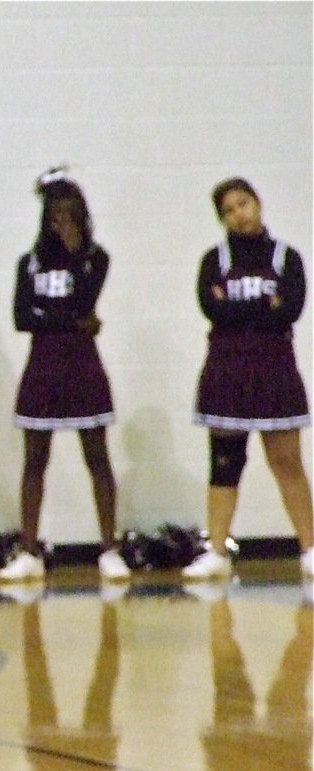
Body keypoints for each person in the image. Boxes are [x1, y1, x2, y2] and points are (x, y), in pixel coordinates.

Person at [0, 168, 130, 584]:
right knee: (35, 459)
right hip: (42, 367)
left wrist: (74, 265)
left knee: (97, 457)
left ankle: (109, 549)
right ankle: (29, 550)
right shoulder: (30, 262)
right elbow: (22, 317)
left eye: (70, 217)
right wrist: (71, 319)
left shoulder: (96, 259)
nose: (62, 225)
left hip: (83, 367)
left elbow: (86, 300)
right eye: (56, 217)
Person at [182, 177, 313, 580]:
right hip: (227, 371)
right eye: (229, 210)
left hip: (275, 371)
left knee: (286, 461)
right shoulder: (213, 260)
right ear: (222, 219)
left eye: (244, 203)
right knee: (224, 463)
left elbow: (288, 311)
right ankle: (217, 552)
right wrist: (262, 308)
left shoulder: (286, 258)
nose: (239, 213)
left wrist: (240, 309)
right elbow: (212, 309)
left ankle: (309, 548)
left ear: (258, 202)